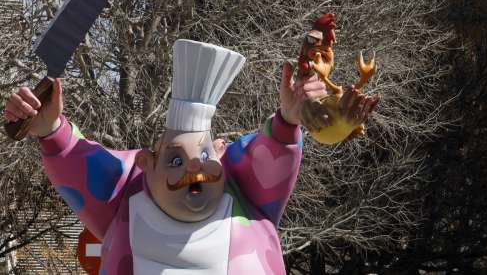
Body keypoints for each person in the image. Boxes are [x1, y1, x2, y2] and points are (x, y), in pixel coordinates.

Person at [4, 39, 378, 274]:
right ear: (146, 163)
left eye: (201, 154)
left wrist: (288, 118)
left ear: (220, 152)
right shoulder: (125, 196)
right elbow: (80, 159)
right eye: (174, 160)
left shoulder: (244, 191)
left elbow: (273, 150)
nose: (193, 169)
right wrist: (50, 129)